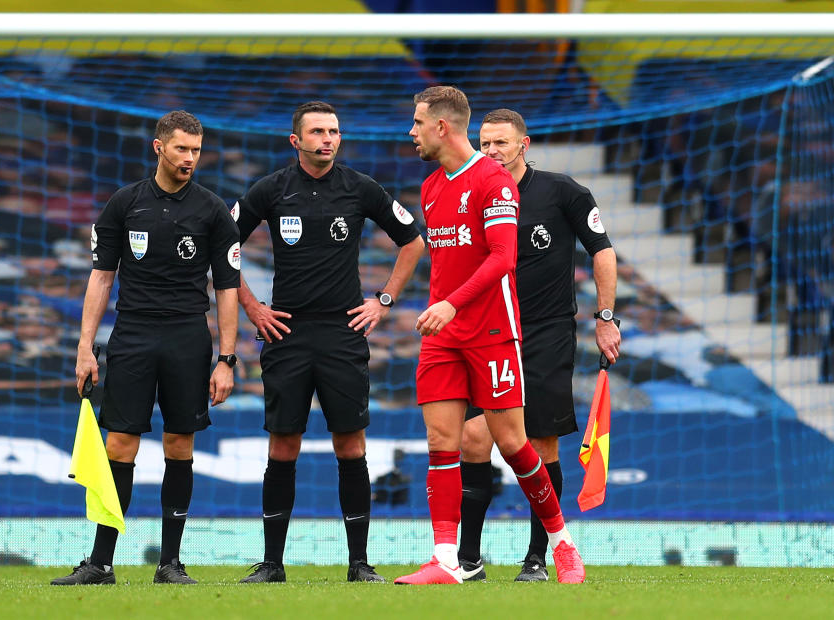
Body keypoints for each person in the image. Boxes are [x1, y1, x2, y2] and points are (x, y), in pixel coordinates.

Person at [394, 87, 585, 585]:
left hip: (492, 331)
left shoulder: (495, 181)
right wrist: (443, 308)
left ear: (442, 127)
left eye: (417, 123)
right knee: (442, 440)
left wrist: (451, 303)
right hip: (443, 335)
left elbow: (503, 257)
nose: (410, 132)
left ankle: (562, 545)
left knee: (515, 445)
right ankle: (446, 560)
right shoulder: (432, 186)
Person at [233, 101, 425, 583]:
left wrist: (383, 300)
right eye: (317, 131)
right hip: (286, 333)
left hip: (343, 333)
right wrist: (253, 307)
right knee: (283, 446)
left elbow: (414, 240)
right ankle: (272, 564)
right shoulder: (271, 190)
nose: (328, 139)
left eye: (334, 131)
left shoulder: (361, 188)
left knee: (350, 445)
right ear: (294, 140)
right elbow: (222, 245)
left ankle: (359, 563)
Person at [51, 110, 241, 586]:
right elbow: (101, 278)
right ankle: (101, 563)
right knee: (120, 444)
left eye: (196, 150)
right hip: (132, 335)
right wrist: (84, 347)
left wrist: (226, 359)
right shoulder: (124, 204)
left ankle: (170, 563)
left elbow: (228, 289)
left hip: (187, 337)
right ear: (159, 147)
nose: (190, 159)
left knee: (180, 444)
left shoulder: (212, 209)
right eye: (182, 149)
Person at [455, 108, 622, 582]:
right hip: (486, 332)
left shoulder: (562, 192)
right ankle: (468, 558)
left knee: (540, 441)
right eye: (484, 143)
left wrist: (605, 318)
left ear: (523, 144)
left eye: (500, 143)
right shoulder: (469, 192)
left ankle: (537, 558)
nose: (491, 152)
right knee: (473, 438)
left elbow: (603, 252)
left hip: (545, 332)